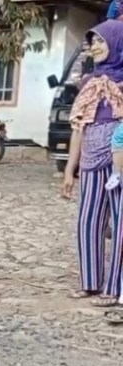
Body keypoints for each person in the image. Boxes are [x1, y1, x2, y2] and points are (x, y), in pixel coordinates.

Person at [62, 20, 123, 309]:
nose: (95, 47)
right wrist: (69, 168)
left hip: (119, 158)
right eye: (93, 42)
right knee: (88, 220)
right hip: (89, 158)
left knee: (121, 222)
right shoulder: (89, 83)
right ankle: (90, 283)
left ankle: (115, 288)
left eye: (101, 41)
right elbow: (79, 127)